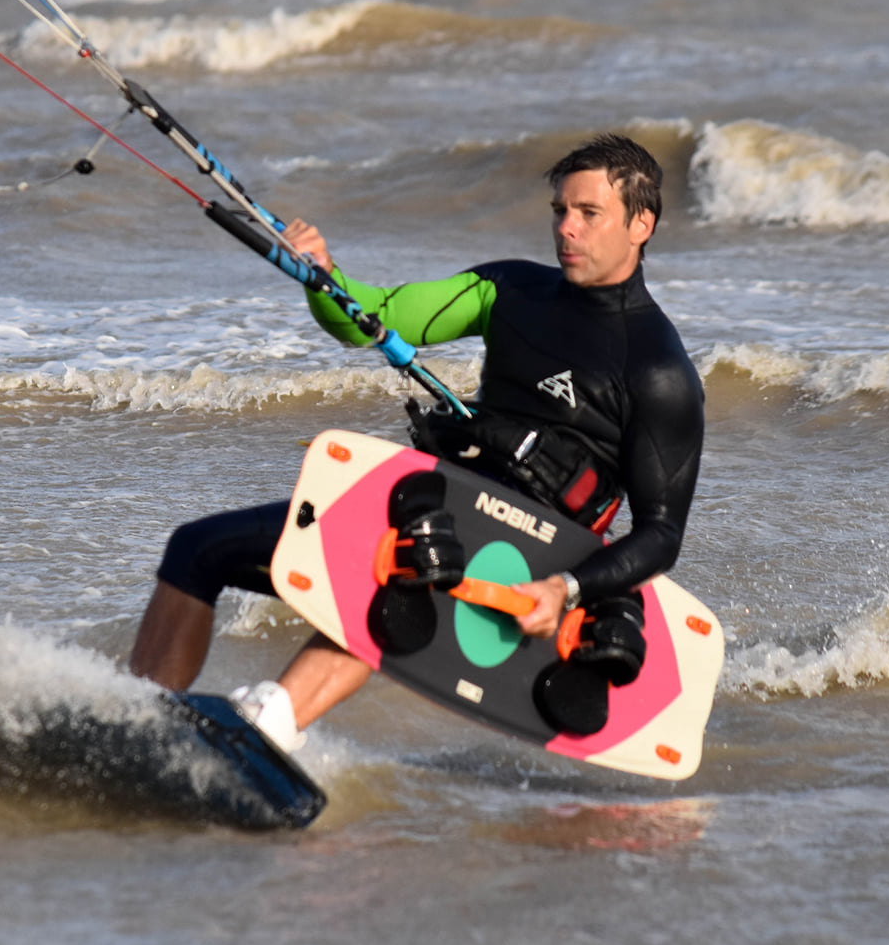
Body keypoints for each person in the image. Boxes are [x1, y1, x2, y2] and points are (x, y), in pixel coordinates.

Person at [125, 134, 705, 751]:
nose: (567, 228)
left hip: (519, 561)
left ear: (641, 223)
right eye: (560, 210)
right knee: (196, 549)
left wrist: (566, 589)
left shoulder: (659, 372)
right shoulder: (510, 290)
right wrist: (322, 277)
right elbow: (370, 317)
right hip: (433, 508)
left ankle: (272, 720)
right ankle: (132, 721)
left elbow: (661, 533)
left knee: (402, 566)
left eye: (589, 214)